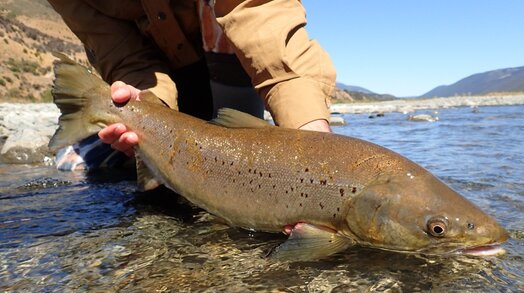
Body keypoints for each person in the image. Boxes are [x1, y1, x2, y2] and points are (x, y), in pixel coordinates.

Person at [47, 0, 336, 170]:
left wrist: (313, 140)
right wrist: (143, 108)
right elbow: (124, 55)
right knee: (101, 168)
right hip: (156, 85)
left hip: (231, 62)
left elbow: (261, 18)